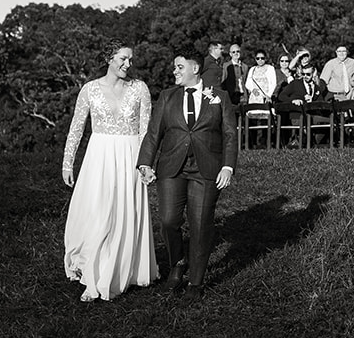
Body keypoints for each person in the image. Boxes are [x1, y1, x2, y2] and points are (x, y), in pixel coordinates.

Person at [137, 51, 237, 302]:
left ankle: (196, 281)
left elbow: (230, 135)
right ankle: (178, 262)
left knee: (201, 224)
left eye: (179, 67)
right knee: (169, 220)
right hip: (171, 167)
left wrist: (227, 167)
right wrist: (144, 163)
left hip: (206, 169)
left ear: (195, 69)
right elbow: (153, 133)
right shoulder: (167, 97)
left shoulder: (219, 97)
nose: (175, 72)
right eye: (174, 68)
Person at [61, 46, 158, 302]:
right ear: (109, 59)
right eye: (123, 58)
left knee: (124, 213)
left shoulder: (140, 89)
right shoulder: (90, 89)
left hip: (129, 156)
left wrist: (146, 164)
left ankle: (119, 271)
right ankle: (93, 274)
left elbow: (146, 132)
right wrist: (67, 163)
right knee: (98, 213)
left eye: (131, 59)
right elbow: (76, 129)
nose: (128, 64)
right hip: (99, 158)